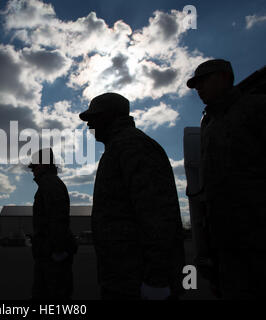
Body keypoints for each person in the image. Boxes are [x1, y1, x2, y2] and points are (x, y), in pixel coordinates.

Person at [79, 93, 185, 300]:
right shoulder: (119, 147)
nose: (89, 124)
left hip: (136, 279)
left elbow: (158, 215)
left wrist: (157, 279)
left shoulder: (134, 146)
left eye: (94, 117)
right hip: (122, 277)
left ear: (111, 116)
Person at [187, 59, 266, 299]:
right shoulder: (209, 123)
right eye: (196, 84)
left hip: (257, 233)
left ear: (223, 77)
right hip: (224, 237)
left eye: (203, 81)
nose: (198, 89)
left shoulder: (256, 108)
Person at [29, 148, 77, 300]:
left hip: (52, 257)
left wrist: (57, 250)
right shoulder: (49, 184)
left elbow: (58, 218)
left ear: (43, 165)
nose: (33, 171)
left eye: (34, 166)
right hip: (49, 254)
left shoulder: (49, 184)